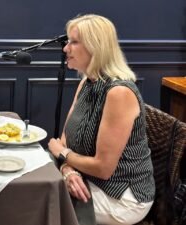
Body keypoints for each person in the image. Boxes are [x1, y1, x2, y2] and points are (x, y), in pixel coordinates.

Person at [48, 14, 155, 225]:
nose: (65, 49)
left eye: (74, 42)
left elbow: (102, 168)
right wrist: (67, 170)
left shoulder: (119, 93)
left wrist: (62, 154)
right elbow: (65, 138)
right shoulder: (86, 82)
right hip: (87, 178)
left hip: (123, 197)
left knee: (45, 203)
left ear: (96, 47)